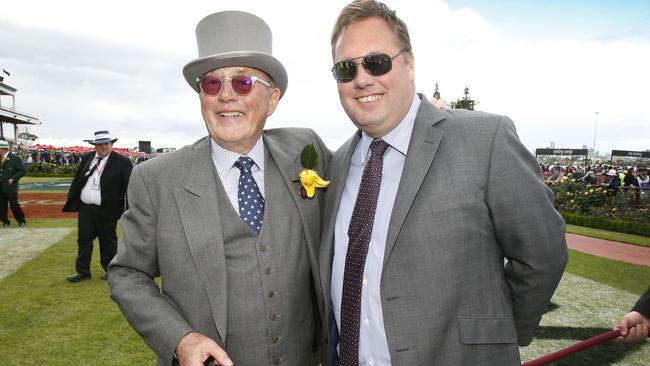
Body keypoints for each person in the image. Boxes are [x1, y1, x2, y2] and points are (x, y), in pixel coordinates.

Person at [319, 1, 568, 365]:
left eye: (376, 62)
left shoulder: (485, 139)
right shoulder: (338, 163)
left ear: (409, 63)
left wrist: (495, 334)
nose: (362, 79)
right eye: (346, 68)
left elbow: (542, 252)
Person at [108, 11, 331, 366]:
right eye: (212, 84)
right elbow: (127, 272)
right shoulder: (157, 179)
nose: (226, 96)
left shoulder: (306, 151)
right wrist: (180, 339)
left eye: (242, 83)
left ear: (271, 100)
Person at [62, 131, 132, 282]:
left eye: (107, 143)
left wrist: (130, 209)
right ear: (95, 146)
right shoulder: (87, 157)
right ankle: (83, 272)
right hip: (86, 209)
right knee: (83, 240)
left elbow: (129, 187)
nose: (104, 147)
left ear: (111, 144)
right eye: (100, 144)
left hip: (108, 209)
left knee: (108, 242)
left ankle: (110, 271)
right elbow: (78, 179)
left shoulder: (122, 162)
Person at [0, 140, 27, 227]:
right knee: (1, 204)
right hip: (0, 185)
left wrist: (13, 178)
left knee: (14, 204)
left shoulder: (15, 158)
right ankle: (4, 221)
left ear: (3, 149)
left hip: (10, 186)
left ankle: (21, 221)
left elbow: (23, 170)